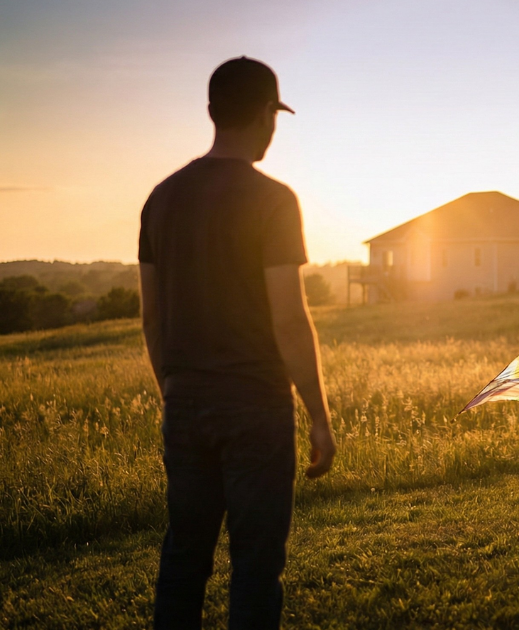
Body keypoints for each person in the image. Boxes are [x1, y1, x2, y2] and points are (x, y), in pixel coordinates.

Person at [138, 56, 337, 628]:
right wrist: (318, 418)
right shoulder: (273, 200)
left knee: (184, 557)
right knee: (255, 564)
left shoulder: (161, 198)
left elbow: (152, 320)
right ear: (265, 117)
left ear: (211, 112)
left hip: (185, 401)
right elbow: (290, 321)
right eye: (274, 117)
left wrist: (174, 392)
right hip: (256, 405)